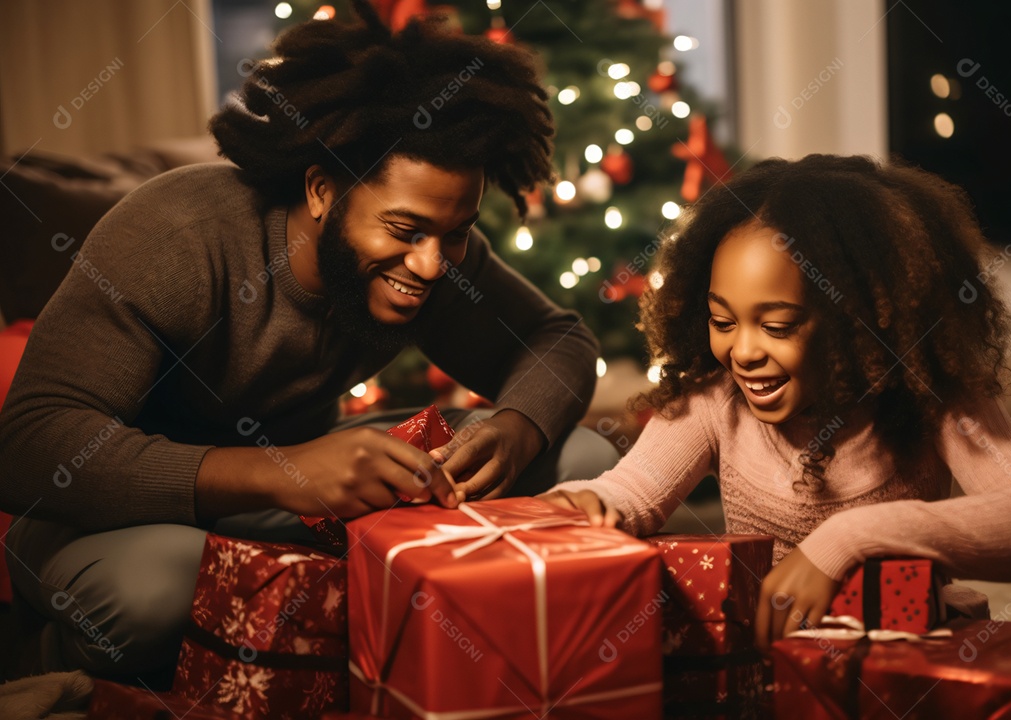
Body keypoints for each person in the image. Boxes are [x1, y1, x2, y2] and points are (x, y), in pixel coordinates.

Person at [0, 1, 618, 680]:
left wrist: (517, 429)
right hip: (112, 524)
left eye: (456, 232)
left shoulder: (433, 255)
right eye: (406, 230)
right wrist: (286, 472)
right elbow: (29, 445)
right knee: (165, 586)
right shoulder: (176, 235)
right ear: (323, 190)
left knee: (579, 453)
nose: (433, 264)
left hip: (294, 510)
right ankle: (61, 654)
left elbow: (555, 337)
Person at [542, 154, 1011, 652]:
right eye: (722, 322)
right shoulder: (714, 399)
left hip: (903, 650)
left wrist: (849, 537)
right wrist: (586, 501)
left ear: (860, 321)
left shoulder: (929, 394)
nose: (743, 352)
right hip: (768, 663)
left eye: (777, 326)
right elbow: (629, 492)